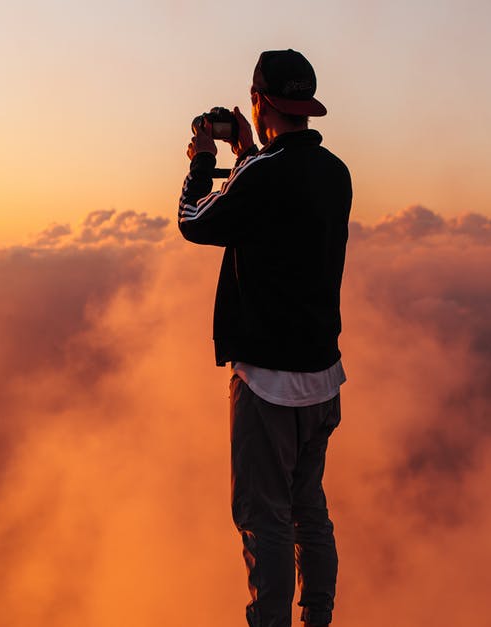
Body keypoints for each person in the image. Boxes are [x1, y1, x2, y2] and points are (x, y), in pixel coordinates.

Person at [177, 49, 352, 627]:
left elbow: (195, 221)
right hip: (323, 377)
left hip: (268, 385)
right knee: (309, 508)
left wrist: (203, 160)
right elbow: (277, 202)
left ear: (259, 100)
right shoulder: (335, 172)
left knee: (263, 516)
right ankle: (318, 617)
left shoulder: (264, 176)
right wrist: (250, 152)